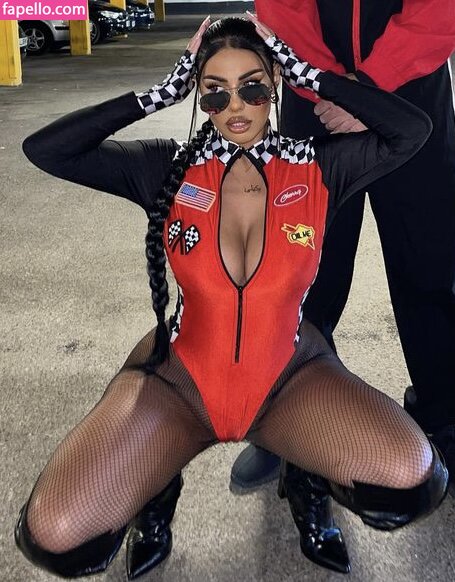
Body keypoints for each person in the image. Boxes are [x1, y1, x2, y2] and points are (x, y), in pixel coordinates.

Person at [14, 15, 448, 580]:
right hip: (178, 386)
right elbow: (47, 150)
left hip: (287, 381)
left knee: (414, 477)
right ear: (197, 93)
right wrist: (157, 94)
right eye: (215, 93)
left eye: (253, 88)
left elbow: (412, 131)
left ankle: (304, 476)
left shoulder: (319, 166)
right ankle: (156, 489)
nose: (236, 106)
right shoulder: (167, 166)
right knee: (56, 533)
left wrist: (308, 74)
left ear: (276, 83)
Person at [232, 0, 455, 495]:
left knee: (430, 263)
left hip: (414, 91)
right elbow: (282, 8)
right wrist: (334, 89)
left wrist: (371, 86)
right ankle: (291, 418)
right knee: (303, 274)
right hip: (317, 100)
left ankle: (444, 414)